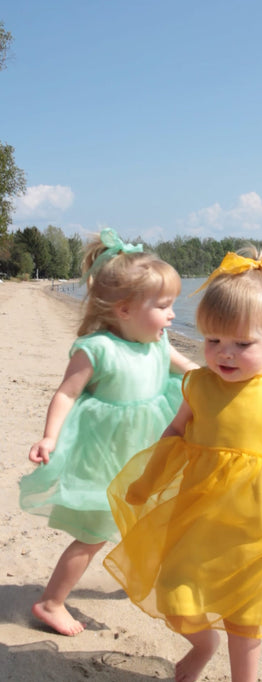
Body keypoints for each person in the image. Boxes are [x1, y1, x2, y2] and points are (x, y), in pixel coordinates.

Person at [103, 244, 262, 682]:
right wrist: (146, 482)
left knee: (247, 619)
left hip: (259, 527)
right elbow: (174, 437)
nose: (224, 354)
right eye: (213, 341)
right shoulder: (198, 386)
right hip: (199, 518)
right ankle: (203, 644)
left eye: (241, 344)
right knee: (177, 596)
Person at [19, 228, 198, 637]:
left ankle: (147, 578)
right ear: (124, 309)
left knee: (156, 518)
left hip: (148, 452)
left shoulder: (158, 341)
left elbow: (192, 372)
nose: (172, 315)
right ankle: (51, 601)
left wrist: (232, 379)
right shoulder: (96, 348)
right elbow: (66, 394)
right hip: (104, 457)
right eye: (164, 306)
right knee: (93, 534)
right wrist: (49, 437)